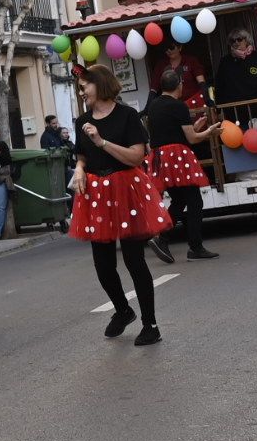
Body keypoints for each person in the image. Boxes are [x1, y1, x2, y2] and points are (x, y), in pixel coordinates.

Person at [68, 63, 171, 346]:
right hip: (96, 194)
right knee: (102, 263)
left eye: (84, 86)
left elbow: (136, 157)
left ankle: (151, 325)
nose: (81, 92)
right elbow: (81, 155)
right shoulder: (82, 121)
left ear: (99, 85)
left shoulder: (126, 116)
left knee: (133, 260)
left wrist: (102, 142)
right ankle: (123, 310)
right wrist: (78, 170)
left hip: (125, 189)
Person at [143, 68, 219, 262]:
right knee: (194, 201)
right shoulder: (179, 106)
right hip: (177, 157)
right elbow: (192, 139)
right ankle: (194, 247)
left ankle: (163, 237)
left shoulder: (154, 106)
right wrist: (209, 131)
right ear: (179, 85)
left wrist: (196, 127)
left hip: (160, 157)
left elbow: (171, 131)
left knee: (179, 200)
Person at [211, 28, 257, 124]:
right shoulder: (225, 62)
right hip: (235, 114)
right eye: (232, 41)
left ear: (246, 40)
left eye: (239, 39)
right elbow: (219, 87)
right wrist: (219, 110)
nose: (236, 42)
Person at [151, 41, 208, 109]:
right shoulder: (161, 65)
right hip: (171, 106)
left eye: (171, 47)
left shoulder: (191, 61)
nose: (168, 50)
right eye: (166, 48)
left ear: (180, 47)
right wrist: (148, 107)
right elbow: (154, 88)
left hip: (194, 103)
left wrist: (206, 97)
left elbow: (201, 81)